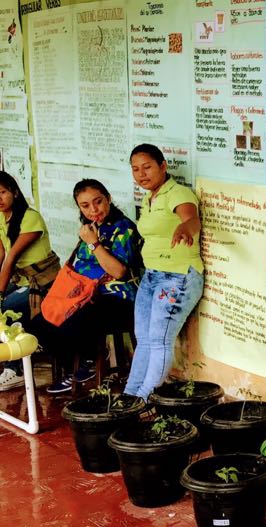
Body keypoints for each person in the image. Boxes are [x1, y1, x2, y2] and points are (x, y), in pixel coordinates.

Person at [28, 180, 142, 393]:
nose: (93, 210)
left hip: (118, 299)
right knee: (39, 325)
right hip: (85, 294)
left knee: (72, 322)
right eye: (85, 205)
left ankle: (88, 362)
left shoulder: (123, 228)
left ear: (108, 198)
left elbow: (119, 272)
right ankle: (76, 367)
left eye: (98, 202)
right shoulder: (90, 228)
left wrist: (93, 243)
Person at [124, 144, 204, 401]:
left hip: (178, 276)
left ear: (163, 166)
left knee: (159, 340)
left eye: (147, 167)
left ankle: (145, 399)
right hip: (152, 276)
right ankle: (129, 395)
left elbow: (192, 218)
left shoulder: (178, 194)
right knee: (144, 339)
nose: (141, 174)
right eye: (135, 169)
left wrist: (185, 228)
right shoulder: (149, 198)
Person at [0, 171, 60, 390]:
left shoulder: (30, 218)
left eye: (2, 193)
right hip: (21, 281)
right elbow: (0, 255)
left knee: (5, 310)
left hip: (43, 283)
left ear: (14, 192)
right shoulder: (0, 217)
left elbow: (11, 257)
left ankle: (15, 370)